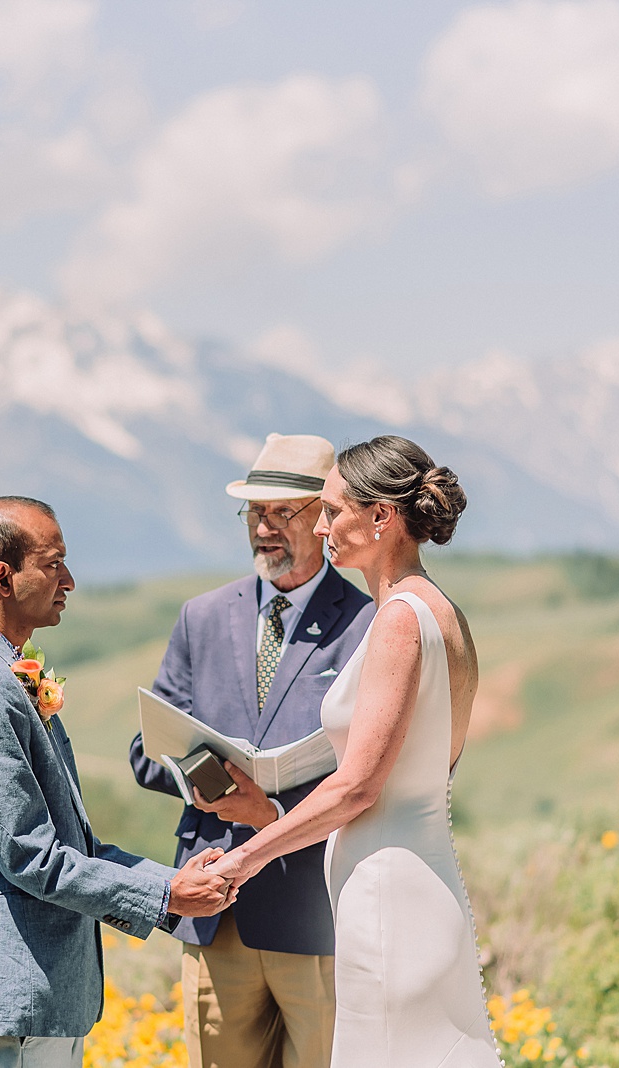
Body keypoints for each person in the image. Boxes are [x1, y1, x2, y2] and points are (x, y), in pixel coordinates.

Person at [208, 436, 498, 1067]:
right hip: (420, 875)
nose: (321, 526)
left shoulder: (398, 619)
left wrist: (241, 861)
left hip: (387, 891)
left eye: (333, 511)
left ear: (381, 516)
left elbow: (359, 787)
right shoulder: (444, 612)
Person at [0, 496, 235, 1068]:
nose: (69, 580)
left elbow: (76, 846)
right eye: (53, 564)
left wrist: (172, 882)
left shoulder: (3, 671)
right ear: (4, 578)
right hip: (20, 991)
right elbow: (34, 858)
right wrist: (167, 896)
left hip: (43, 994)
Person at [129, 434, 375, 1068]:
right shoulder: (202, 617)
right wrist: (207, 781)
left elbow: (374, 772)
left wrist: (272, 813)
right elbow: (146, 752)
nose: (263, 528)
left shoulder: (369, 623)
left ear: (324, 518)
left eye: (281, 512)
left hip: (317, 912)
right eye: (254, 512)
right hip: (218, 909)